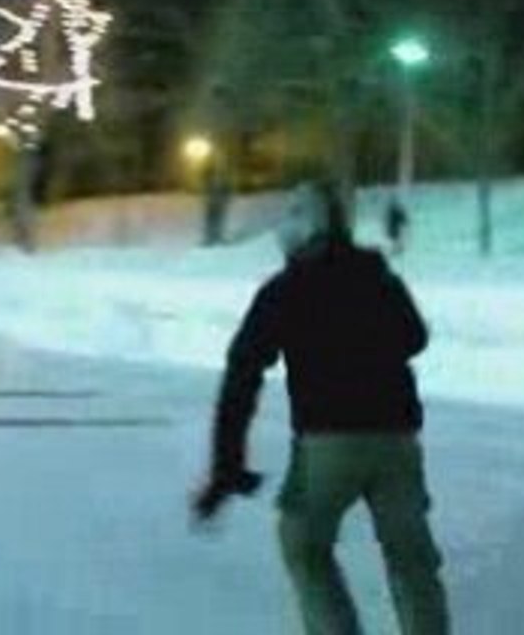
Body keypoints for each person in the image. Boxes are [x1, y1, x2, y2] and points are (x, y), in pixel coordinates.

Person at [191, 182, 450, 635]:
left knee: (303, 543)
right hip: (398, 443)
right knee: (411, 558)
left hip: (328, 445)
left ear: (297, 231)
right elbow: (415, 338)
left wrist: (226, 467)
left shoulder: (285, 289)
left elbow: (242, 373)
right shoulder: (378, 276)